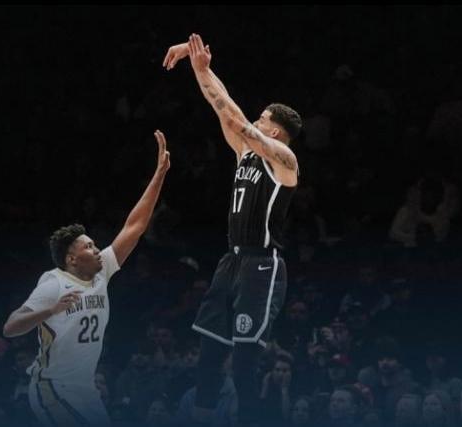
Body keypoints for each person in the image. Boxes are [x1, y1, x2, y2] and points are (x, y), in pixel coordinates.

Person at [163, 34, 302, 425]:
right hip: (231, 262)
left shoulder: (285, 161)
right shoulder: (244, 153)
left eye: (262, 120)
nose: (255, 122)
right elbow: (223, 109)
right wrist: (200, 68)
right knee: (208, 360)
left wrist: (204, 72)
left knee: (244, 366)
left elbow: (236, 119)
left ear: (274, 132)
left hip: (262, 265)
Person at [3, 130, 170, 426]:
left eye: (95, 245)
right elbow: (11, 327)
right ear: (71, 259)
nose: (97, 249)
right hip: (52, 387)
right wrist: (50, 310)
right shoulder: (54, 283)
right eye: (89, 247)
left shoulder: (102, 271)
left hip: (85, 389)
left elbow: (134, 226)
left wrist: (159, 174)